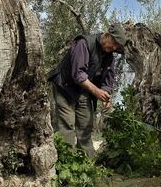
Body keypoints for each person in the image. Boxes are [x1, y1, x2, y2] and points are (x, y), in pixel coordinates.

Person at [48, 23, 128, 157]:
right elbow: (78, 75)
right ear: (106, 35)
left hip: (84, 90)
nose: (113, 48)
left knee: (86, 126)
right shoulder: (84, 43)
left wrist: (106, 96)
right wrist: (97, 92)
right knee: (67, 125)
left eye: (117, 46)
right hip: (65, 87)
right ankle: (66, 163)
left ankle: (87, 165)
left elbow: (108, 79)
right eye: (113, 43)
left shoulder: (109, 54)